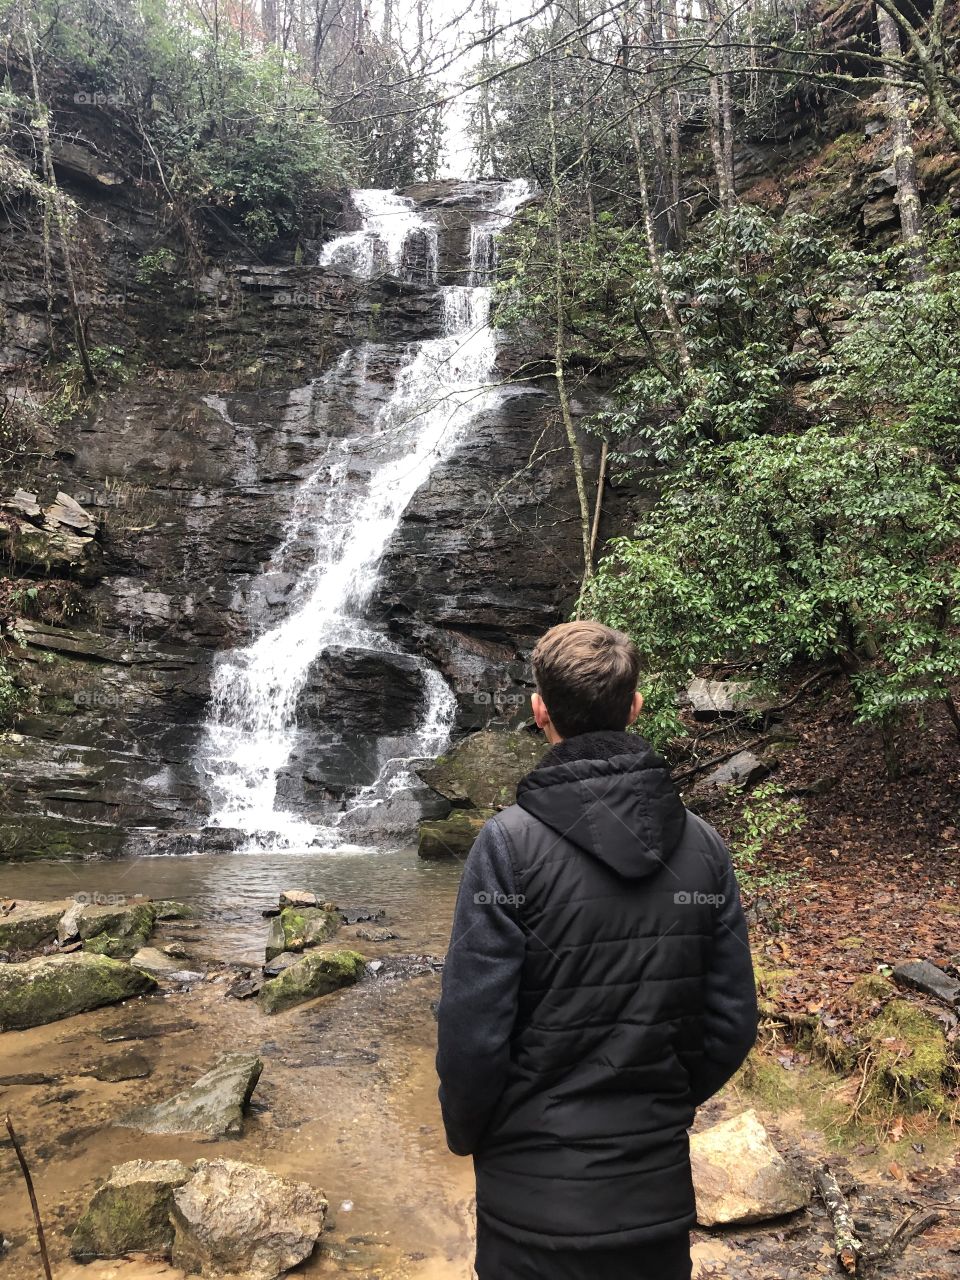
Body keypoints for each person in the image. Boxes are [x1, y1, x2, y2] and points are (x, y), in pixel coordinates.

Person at [436, 620, 759, 1280]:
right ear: (636, 707)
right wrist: (661, 1104)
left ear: (539, 711)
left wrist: (474, 1136)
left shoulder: (507, 848)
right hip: (652, 1201)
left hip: (530, 1208)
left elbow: (473, 1033)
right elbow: (732, 1022)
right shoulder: (703, 850)